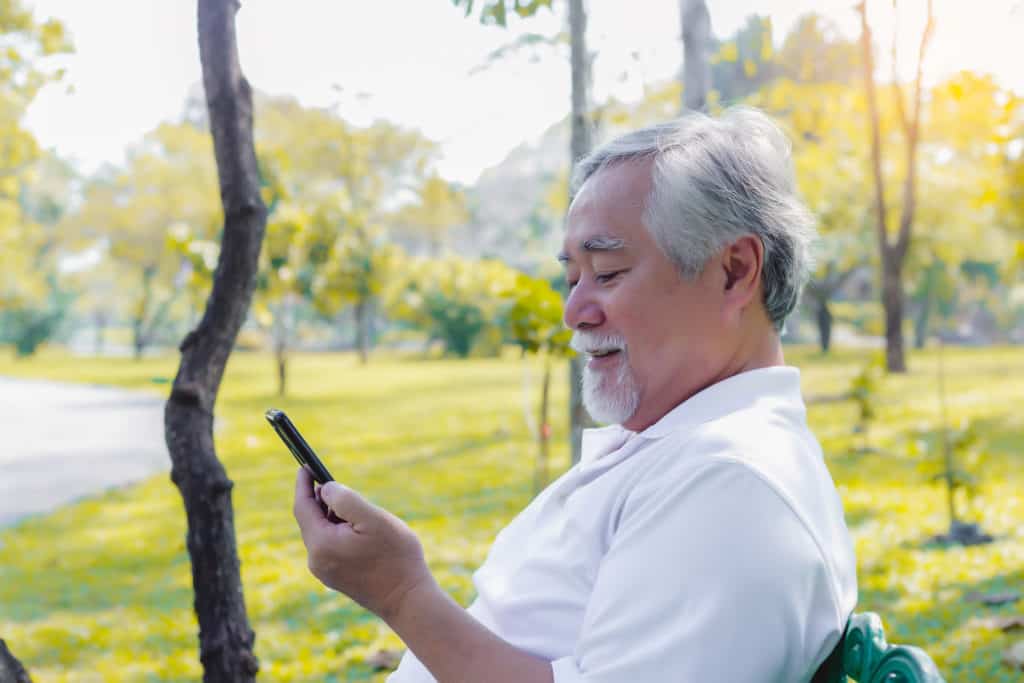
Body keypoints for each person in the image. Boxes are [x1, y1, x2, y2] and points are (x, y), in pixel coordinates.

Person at [293, 107, 858, 682]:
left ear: (735, 271)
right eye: (572, 277)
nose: (574, 313)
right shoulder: (675, 446)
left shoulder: (731, 481)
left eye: (608, 272)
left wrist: (402, 595)